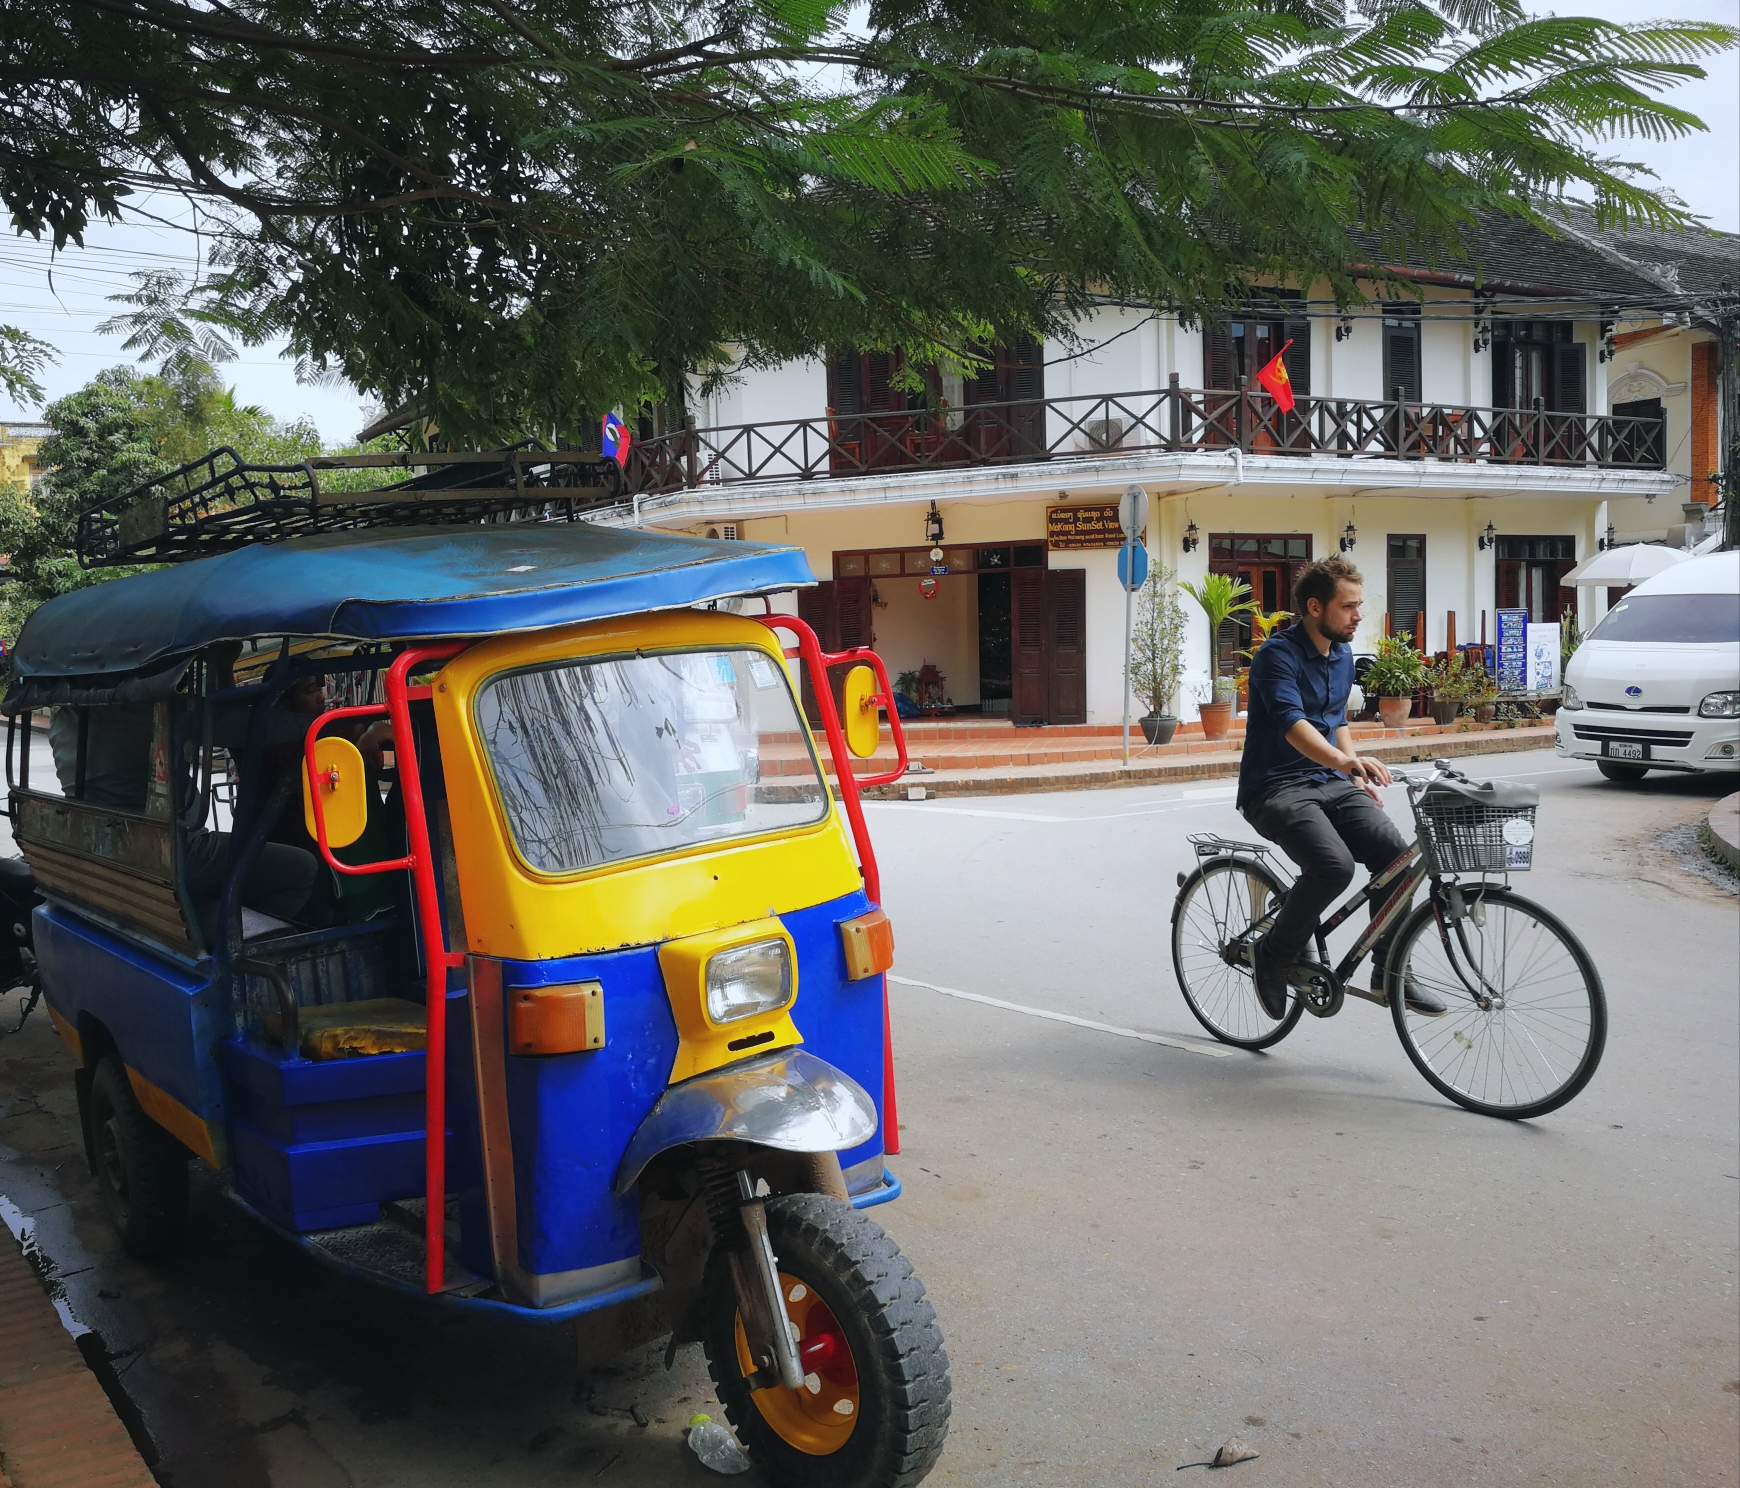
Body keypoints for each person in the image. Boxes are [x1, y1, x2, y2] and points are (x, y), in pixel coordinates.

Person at [1237, 555, 1446, 1021]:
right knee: (1334, 867)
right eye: (1348, 606)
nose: (1358, 616)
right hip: (1275, 788)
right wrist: (1345, 761)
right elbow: (1293, 726)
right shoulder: (1277, 656)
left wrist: (1353, 775)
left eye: (1359, 606)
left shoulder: (1343, 654)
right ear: (1315, 606)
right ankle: (1273, 955)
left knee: (1396, 860)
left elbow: (1336, 722)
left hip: (1329, 780)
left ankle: (1389, 969)